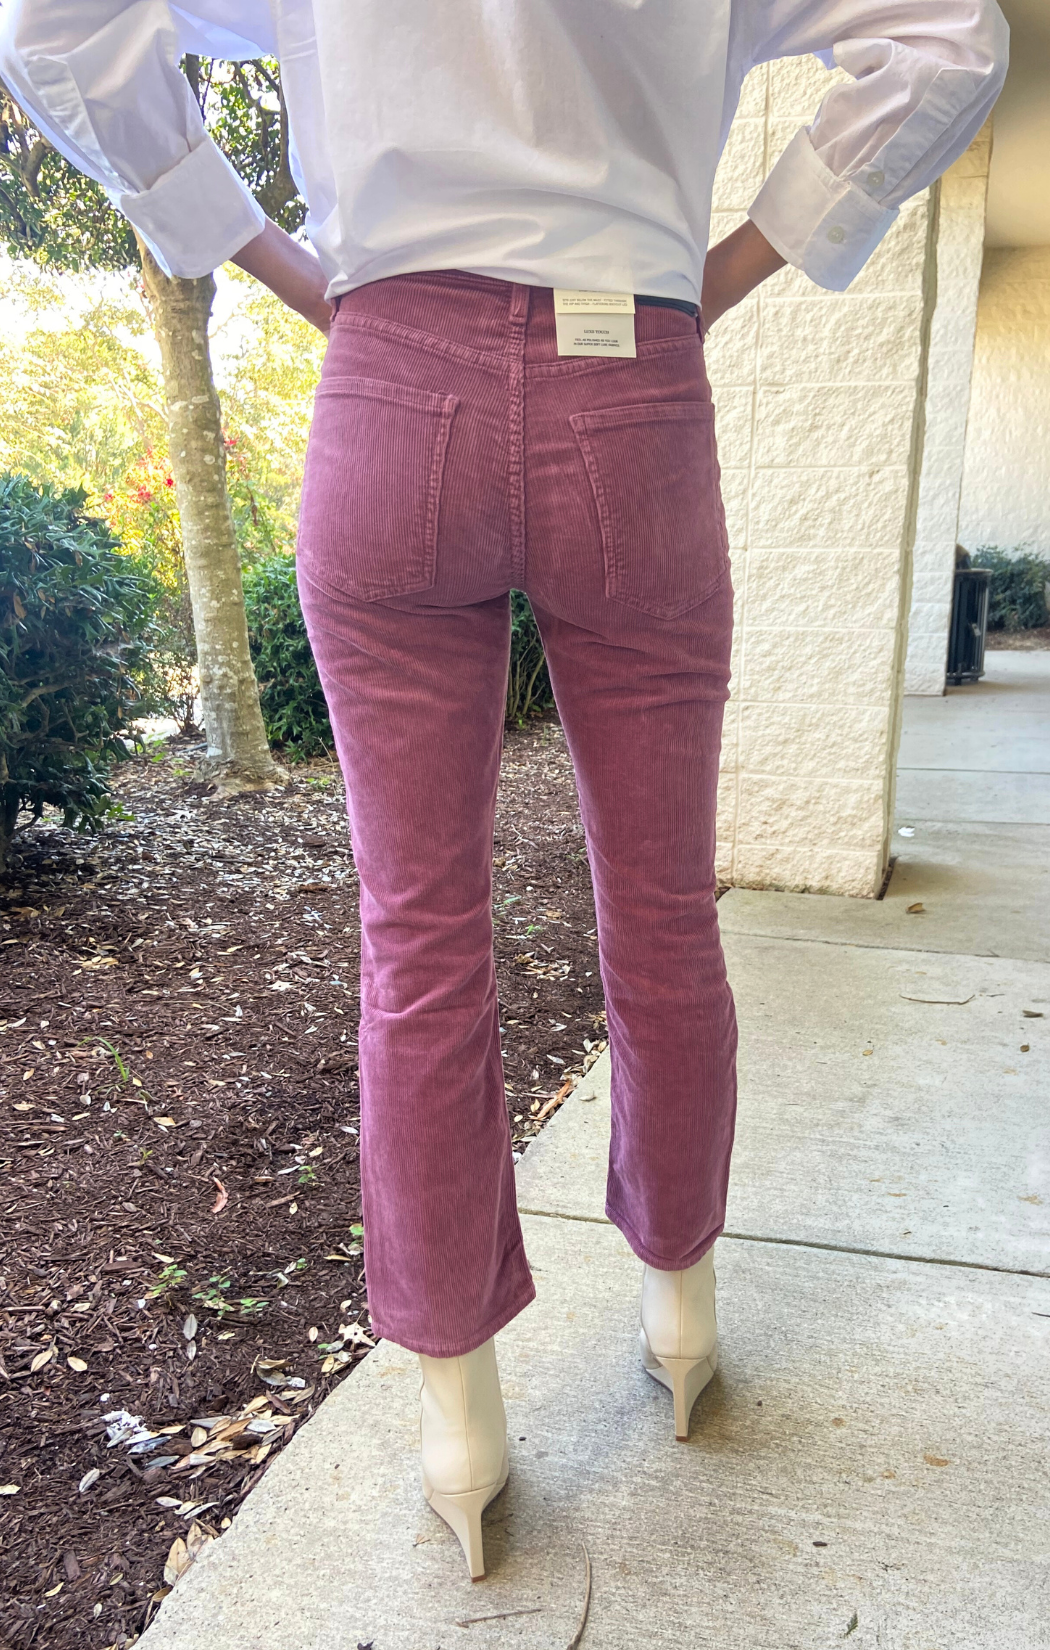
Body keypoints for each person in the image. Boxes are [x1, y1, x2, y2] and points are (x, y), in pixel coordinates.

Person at [0, 0, 1008, 1582]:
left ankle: (459, 1425)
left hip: (392, 382)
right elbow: (952, 36)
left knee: (418, 941)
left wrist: (259, 251)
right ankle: (680, 1316)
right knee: (662, 913)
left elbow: (55, 26)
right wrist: (734, 266)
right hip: (634, 386)